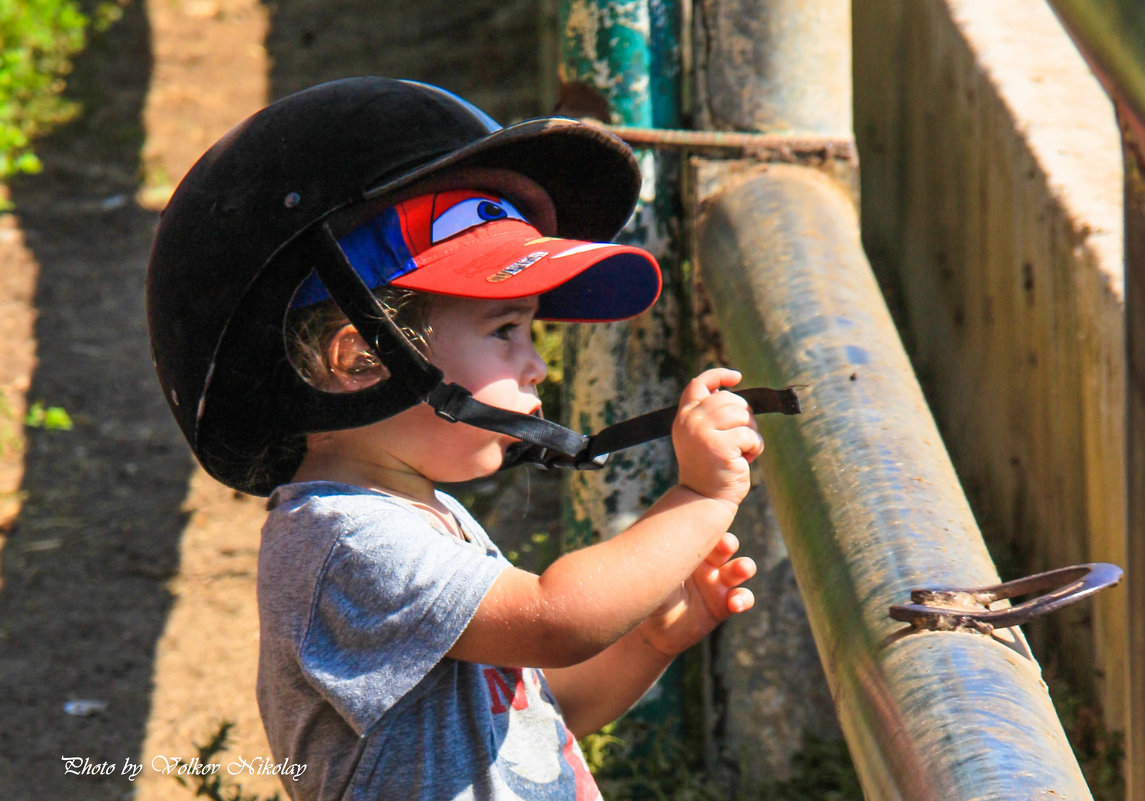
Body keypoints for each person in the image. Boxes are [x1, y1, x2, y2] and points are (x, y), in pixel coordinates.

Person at [146, 77, 765, 801]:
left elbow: (532, 719)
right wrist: (699, 496)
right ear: (361, 359)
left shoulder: (419, 513)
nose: (536, 362)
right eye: (504, 330)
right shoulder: (345, 541)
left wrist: (649, 642)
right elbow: (555, 620)